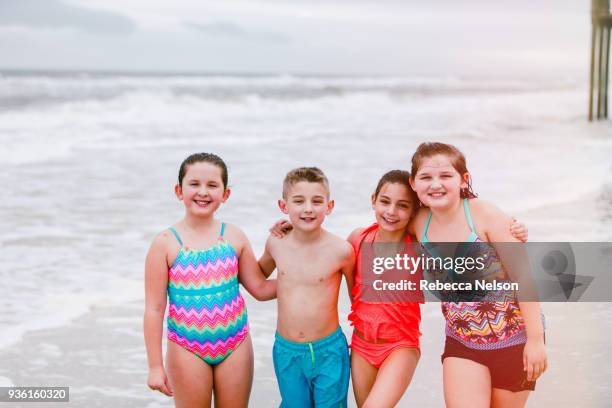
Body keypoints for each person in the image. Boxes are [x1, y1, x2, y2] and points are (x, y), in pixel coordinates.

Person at [271, 169, 529, 408]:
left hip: (400, 346)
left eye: (402, 205)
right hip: (361, 346)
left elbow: (463, 241)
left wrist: (510, 232)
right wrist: (292, 227)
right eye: (385, 202)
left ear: (414, 210)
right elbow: (322, 252)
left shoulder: (420, 245)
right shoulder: (357, 239)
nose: (391, 211)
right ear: (374, 200)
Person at [409, 142, 546, 408]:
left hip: (514, 338)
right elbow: (383, 225)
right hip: (462, 341)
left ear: (464, 180)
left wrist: (536, 341)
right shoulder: (417, 222)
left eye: (445, 176)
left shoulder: (483, 214)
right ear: (413, 183)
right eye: (426, 177)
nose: (435, 184)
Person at [143, 152, 276, 408]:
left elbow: (259, 287)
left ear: (225, 194)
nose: (203, 192)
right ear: (179, 190)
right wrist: (155, 366)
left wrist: (302, 275)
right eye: (194, 184)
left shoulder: (234, 236)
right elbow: (154, 309)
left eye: (212, 185)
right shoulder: (165, 244)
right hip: (186, 347)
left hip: (235, 343)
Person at [258, 167, 355, 408]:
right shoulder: (276, 243)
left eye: (317, 201)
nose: (308, 208)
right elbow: (258, 277)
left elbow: (358, 300)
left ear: (329, 206)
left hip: (329, 350)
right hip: (287, 350)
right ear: (284, 206)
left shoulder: (341, 250)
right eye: (299, 201)